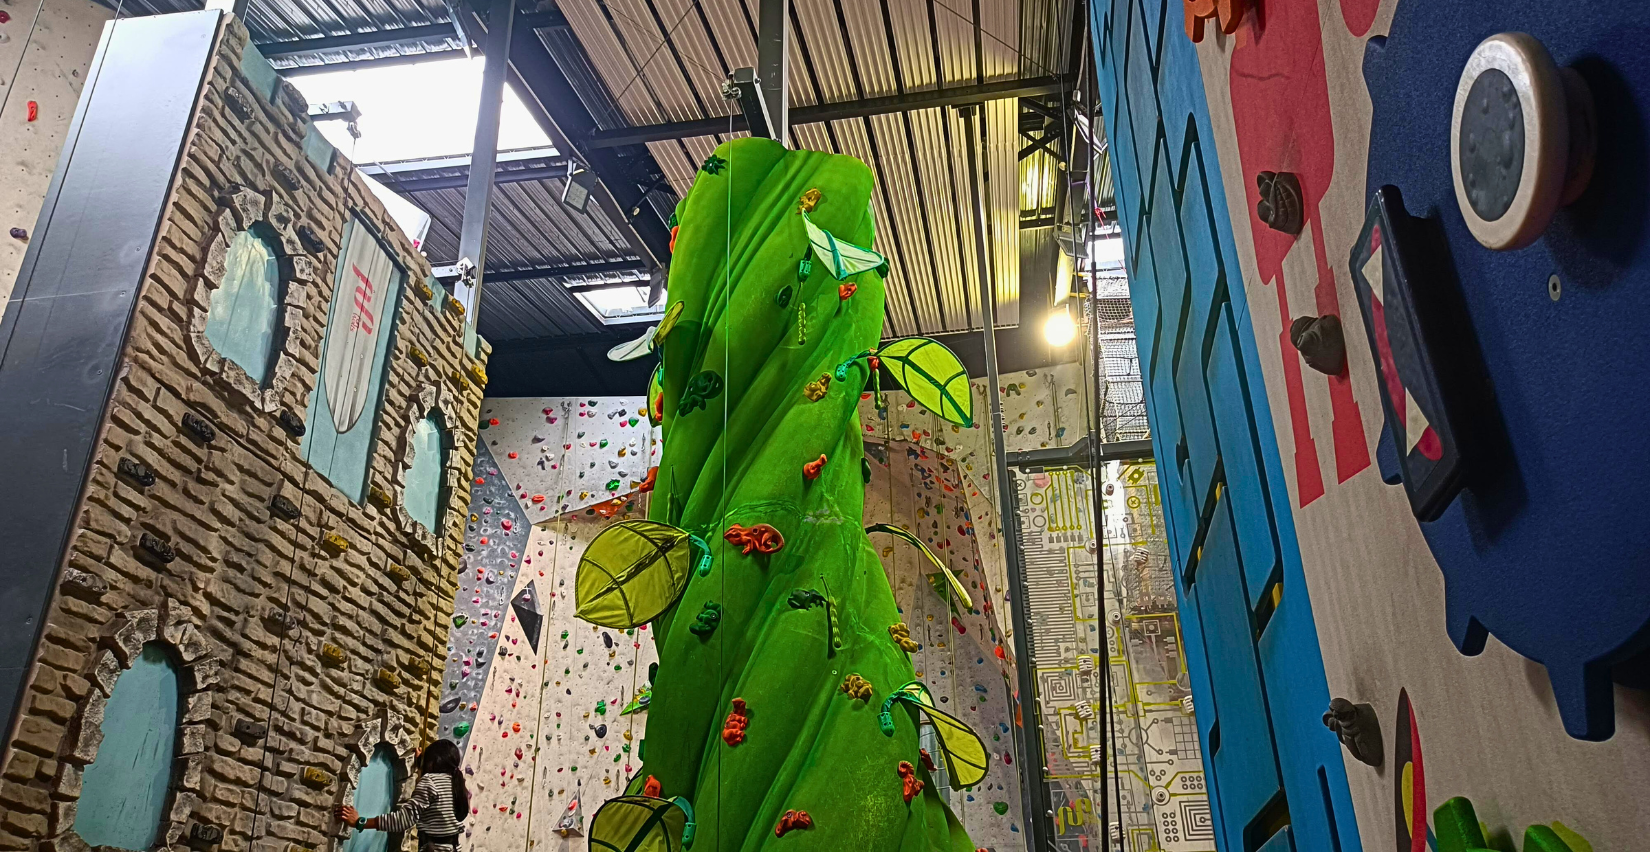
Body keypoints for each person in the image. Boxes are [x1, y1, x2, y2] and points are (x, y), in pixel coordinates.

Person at [334, 739, 469, 851]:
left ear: (432, 762)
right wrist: (421, 763)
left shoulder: (430, 782)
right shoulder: (456, 783)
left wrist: (360, 822)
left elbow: (402, 820)